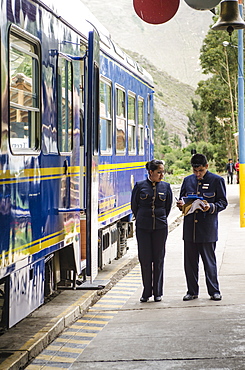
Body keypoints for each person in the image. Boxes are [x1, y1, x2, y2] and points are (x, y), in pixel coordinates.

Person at [176, 153, 228, 301]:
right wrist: (181, 205)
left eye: (201, 171)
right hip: (190, 229)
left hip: (207, 229)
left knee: (209, 262)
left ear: (206, 167)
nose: (198, 174)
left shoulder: (217, 180)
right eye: (195, 171)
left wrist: (210, 206)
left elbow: (223, 203)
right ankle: (192, 291)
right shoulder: (187, 181)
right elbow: (183, 201)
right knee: (190, 263)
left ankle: (214, 291)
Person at [131, 159, 172, 302]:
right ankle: (146, 291)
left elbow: (167, 207)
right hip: (143, 228)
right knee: (145, 259)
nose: (162, 175)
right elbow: (134, 206)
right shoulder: (140, 186)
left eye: (163, 172)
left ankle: (158, 292)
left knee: (159, 259)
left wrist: (160, 219)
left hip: (160, 227)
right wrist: (142, 218)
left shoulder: (166, 187)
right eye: (159, 172)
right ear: (151, 172)